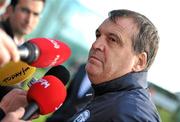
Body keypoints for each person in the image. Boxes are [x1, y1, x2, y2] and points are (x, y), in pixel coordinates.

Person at [67, 9, 161, 122]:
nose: (96, 45)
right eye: (98, 35)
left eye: (112, 39)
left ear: (139, 62)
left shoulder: (131, 114)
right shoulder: (113, 101)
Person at [0, 0, 46, 100]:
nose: (29, 20)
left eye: (36, 14)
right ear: (10, 10)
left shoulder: (30, 56)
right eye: (25, 11)